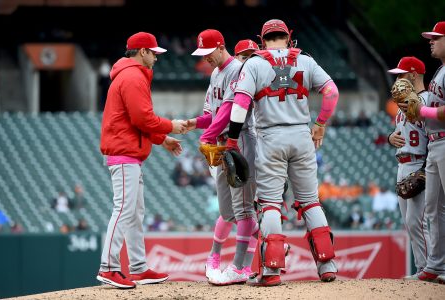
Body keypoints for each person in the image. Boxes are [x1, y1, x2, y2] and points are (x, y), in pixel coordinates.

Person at [226, 19, 339, 286]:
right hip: (301, 136)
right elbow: (331, 92)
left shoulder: (253, 63)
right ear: (289, 37)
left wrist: (232, 140)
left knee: (270, 204)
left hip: (271, 137)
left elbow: (241, 103)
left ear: (262, 39)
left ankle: (272, 272)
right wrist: (320, 125)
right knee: (310, 201)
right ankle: (327, 266)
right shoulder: (307, 61)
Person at [97, 31, 187, 289]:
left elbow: (135, 121)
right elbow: (142, 119)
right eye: (154, 53)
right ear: (143, 52)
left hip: (129, 152)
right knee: (124, 209)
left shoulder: (130, 74)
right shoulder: (133, 76)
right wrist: (172, 126)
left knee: (135, 212)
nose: (157, 58)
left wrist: (162, 139)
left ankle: (138, 267)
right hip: (123, 153)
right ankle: (108, 267)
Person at [186, 31, 259, 285]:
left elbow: (229, 110)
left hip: (239, 140)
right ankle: (214, 259)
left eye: (208, 53)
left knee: (244, 209)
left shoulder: (237, 69)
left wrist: (207, 135)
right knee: (227, 210)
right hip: (221, 142)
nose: (206, 58)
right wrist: (194, 123)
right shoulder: (216, 74)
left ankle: (243, 265)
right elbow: (212, 113)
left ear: (220, 47)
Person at [387, 56, 430, 279]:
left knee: (417, 221)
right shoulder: (402, 104)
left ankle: (431, 269)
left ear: (413, 75)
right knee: (409, 222)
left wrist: (424, 167)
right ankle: (423, 268)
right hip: (402, 164)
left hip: (419, 162)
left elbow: (435, 136)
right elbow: (400, 135)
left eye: (401, 75)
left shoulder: (428, 100)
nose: (398, 81)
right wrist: (389, 138)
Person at [413, 21, 445, 284]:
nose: (431, 41)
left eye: (436, 37)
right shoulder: (440, 70)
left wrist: (423, 112)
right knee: (432, 209)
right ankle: (436, 265)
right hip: (434, 144)